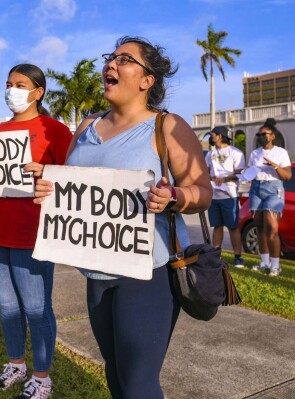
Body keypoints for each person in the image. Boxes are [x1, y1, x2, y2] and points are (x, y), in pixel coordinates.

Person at [34, 36, 212, 398]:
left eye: (125, 59)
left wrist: (174, 197)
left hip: (147, 275)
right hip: (95, 274)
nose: (111, 65)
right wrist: (47, 191)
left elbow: (202, 192)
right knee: (115, 373)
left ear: (148, 80)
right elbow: (70, 185)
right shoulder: (85, 128)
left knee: (138, 384)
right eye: (110, 58)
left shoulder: (166, 127)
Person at [0, 64, 72, 399]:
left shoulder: (54, 130)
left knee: (37, 308)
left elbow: (74, 179)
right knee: (7, 306)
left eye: (20, 84)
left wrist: (47, 171)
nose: (12, 90)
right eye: (8, 84)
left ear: (38, 92)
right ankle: (15, 364)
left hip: (32, 232)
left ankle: (42, 376)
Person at [248, 118, 292, 276]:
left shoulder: (281, 152)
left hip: (273, 189)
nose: (261, 136)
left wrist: (274, 165)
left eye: (264, 134)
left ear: (272, 136)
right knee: (260, 227)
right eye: (259, 134)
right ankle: (264, 262)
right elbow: (252, 171)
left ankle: (275, 265)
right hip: (256, 188)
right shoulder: (254, 153)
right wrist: (246, 174)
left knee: (272, 228)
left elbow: (287, 176)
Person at [205, 126, 246, 267]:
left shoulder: (236, 153)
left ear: (220, 136)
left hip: (230, 195)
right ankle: (216, 256)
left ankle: (238, 257)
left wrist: (225, 179)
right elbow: (206, 172)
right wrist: (211, 178)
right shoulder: (209, 154)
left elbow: (240, 173)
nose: (211, 138)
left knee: (233, 227)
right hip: (214, 196)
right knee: (217, 226)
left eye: (212, 135)